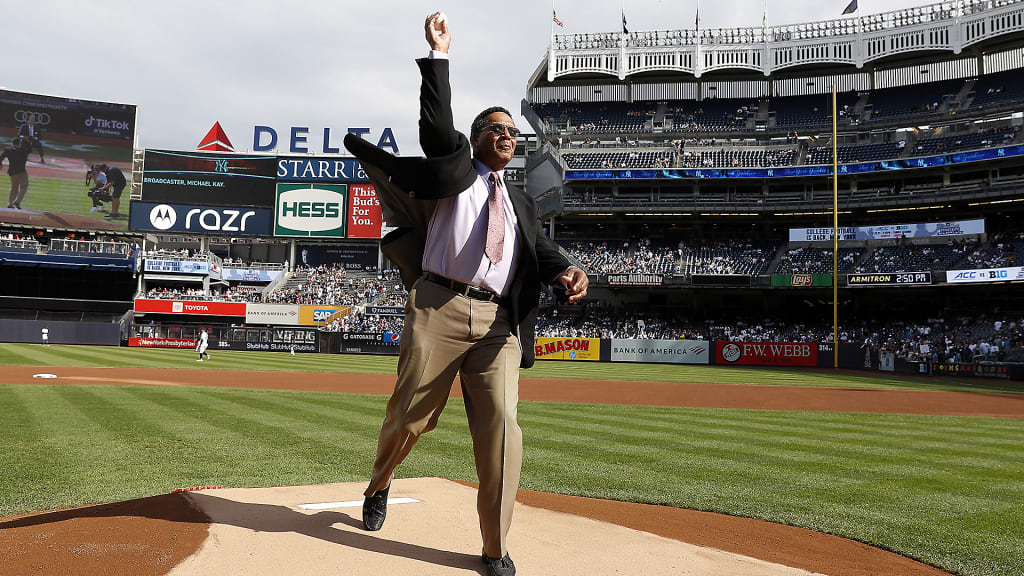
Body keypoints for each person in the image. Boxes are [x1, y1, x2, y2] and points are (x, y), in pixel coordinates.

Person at [343, 13, 588, 576]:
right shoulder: (454, 168)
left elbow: (538, 253)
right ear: (476, 137)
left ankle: (495, 548)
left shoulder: (522, 200)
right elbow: (435, 129)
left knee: (502, 424)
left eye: (514, 132)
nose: (508, 136)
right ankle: (379, 483)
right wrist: (440, 55)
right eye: (497, 128)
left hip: (500, 324)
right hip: (439, 306)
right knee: (410, 418)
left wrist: (569, 269)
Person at [1, 136, 31, 209]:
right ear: (19, 143)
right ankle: (17, 201)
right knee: (24, 186)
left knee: (14, 188)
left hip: (12, 171)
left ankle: (10, 204)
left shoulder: (7, 150)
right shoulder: (22, 150)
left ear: (12, 143)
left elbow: (0, 158)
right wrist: (26, 141)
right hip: (21, 171)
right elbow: (30, 149)